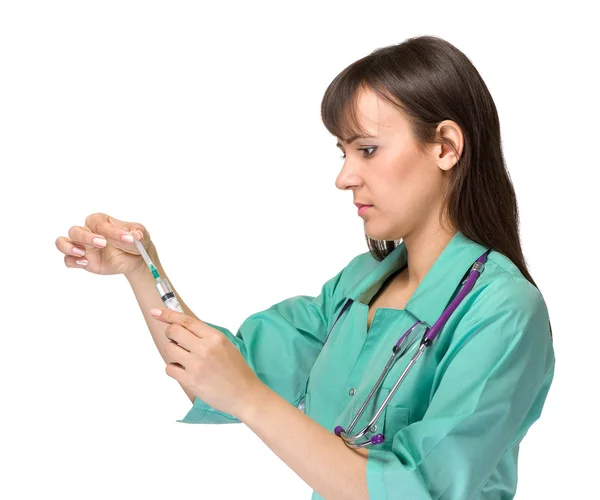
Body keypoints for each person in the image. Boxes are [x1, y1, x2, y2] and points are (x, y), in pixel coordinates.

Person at [55, 35, 555, 500]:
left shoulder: (502, 311)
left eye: (367, 149)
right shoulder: (357, 286)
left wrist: (251, 399)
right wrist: (144, 270)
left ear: (445, 146)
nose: (343, 177)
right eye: (342, 152)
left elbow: (419, 490)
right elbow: (216, 374)